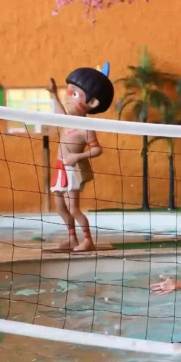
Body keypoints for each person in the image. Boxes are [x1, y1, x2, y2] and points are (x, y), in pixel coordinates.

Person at [47, 64, 114, 252]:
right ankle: (72, 239)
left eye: (75, 94)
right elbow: (60, 114)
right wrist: (53, 93)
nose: (68, 97)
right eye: (69, 92)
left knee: (73, 208)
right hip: (60, 168)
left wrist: (77, 156)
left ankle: (88, 240)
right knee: (60, 207)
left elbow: (97, 150)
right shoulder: (68, 121)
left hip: (71, 170)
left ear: (92, 103)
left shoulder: (86, 128)